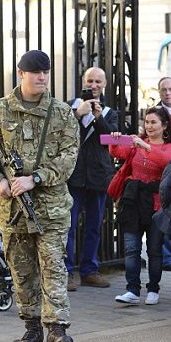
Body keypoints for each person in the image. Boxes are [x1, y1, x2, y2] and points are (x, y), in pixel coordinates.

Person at [0, 50, 79, 342]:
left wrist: (38, 178)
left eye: (46, 72)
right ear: (21, 74)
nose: (42, 77)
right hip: (14, 209)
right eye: (35, 72)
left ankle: (57, 330)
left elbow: (69, 155)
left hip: (52, 207)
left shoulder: (61, 113)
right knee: (22, 270)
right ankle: (31, 328)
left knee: (54, 266)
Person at [109, 107, 171, 305]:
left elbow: (167, 161)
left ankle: (153, 289)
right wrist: (115, 141)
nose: (148, 126)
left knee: (154, 249)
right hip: (133, 202)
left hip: (156, 204)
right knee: (131, 248)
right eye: (146, 122)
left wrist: (146, 147)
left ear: (164, 125)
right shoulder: (137, 142)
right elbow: (119, 152)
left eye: (153, 122)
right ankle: (132, 290)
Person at [65, 66, 118, 291]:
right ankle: (66, 271)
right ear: (83, 82)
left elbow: (109, 140)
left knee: (94, 226)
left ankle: (89, 270)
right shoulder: (69, 107)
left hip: (97, 175)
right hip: (74, 175)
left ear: (104, 84)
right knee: (67, 225)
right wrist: (78, 114)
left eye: (98, 81)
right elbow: (60, 133)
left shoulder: (109, 112)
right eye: (90, 81)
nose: (93, 86)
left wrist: (97, 117)